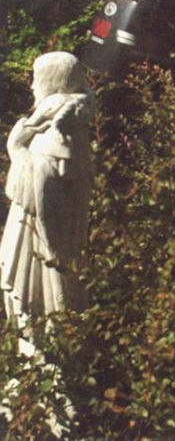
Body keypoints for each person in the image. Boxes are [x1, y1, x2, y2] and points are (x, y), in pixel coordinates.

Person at [1, 52, 94, 325]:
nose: (31, 86)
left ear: (52, 82)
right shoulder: (69, 125)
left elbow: (37, 195)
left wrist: (16, 148)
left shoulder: (57, 134)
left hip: (42, 258)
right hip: (59, 252)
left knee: (41, 322)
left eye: (35, 79)